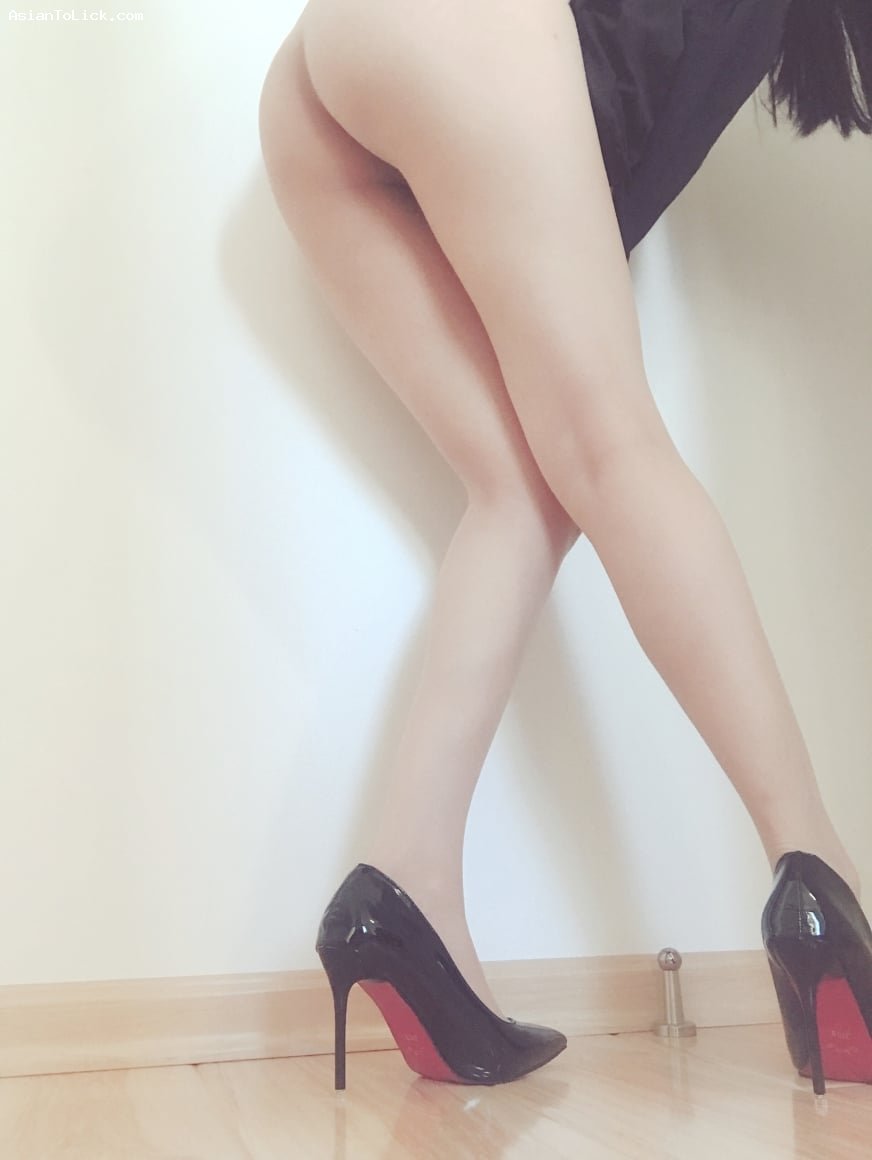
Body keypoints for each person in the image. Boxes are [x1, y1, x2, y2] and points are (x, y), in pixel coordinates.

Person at [257, 0, 872, 1092]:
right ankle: (819, 870)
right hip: (457, 30)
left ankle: (402, 890)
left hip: (319, 90)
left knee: (521, 492)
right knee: (612, 450)